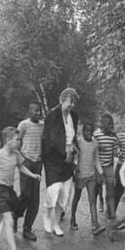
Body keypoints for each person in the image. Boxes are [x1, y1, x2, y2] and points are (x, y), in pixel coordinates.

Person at [41, 87, 79, 236]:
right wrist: (63, 151)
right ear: (62, 100)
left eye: (74, 103)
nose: (72, 106)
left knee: (65, 193)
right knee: (54, 189)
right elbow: (48, 138)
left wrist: (73, 150)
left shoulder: (74, 116)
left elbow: (73, 137)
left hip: (68, 160)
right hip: (53, 158)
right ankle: (46, 216)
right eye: (70, 102)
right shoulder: (52, 115)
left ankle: (56, 222)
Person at [69, 122, 105, 235]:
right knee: (77, 197)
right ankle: (73, 219)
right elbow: (73, 157)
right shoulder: (78, 142)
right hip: (80, 176)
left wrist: (101, 172)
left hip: (91, 176)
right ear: (83, 131)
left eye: (91, 131)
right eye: (87, 131)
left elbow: (97, 159)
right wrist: (74, 168)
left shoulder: (95, 143)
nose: (89, 133)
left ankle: (95, 224)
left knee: (92, 199)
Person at [16, 102, 44, 241]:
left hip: (38, 163)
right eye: (36, 111)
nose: (38, 113)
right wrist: (21, 158)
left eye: (40, 111)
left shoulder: (43, 125)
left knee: (35, 199)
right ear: (30, 111)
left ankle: (27, 229)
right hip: (26, 162)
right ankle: (15, 215)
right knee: (26, 195)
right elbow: (16, 142)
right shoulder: (23, 125)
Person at [93, 113, 119, 220]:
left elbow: (115, 154)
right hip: (97, 166)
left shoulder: (113, 137)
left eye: (112, 124)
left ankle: (112, 216)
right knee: (97, 187)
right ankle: (100, 202)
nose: (111, 126)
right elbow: (92, 150)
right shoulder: (96, 135)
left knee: (111, 191)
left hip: (108, 166)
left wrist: (114, 169)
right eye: (108, 124)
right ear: (102, 124)